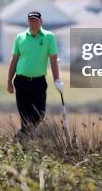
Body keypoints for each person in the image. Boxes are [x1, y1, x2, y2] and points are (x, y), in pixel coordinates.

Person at [7, 10, 64, 140]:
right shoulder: (20, 37)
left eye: (36, 21)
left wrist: (57, 80)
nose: (33, 23)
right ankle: (25, 146)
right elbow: (14, 60)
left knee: (40, 114)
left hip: (38, 82)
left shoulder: (49, 37)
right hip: (21, 81)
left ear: (41, 22)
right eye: (31, 20)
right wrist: (9, 82)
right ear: (28, 22)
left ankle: (19, 138)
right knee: (25, 116)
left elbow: (53, 60)